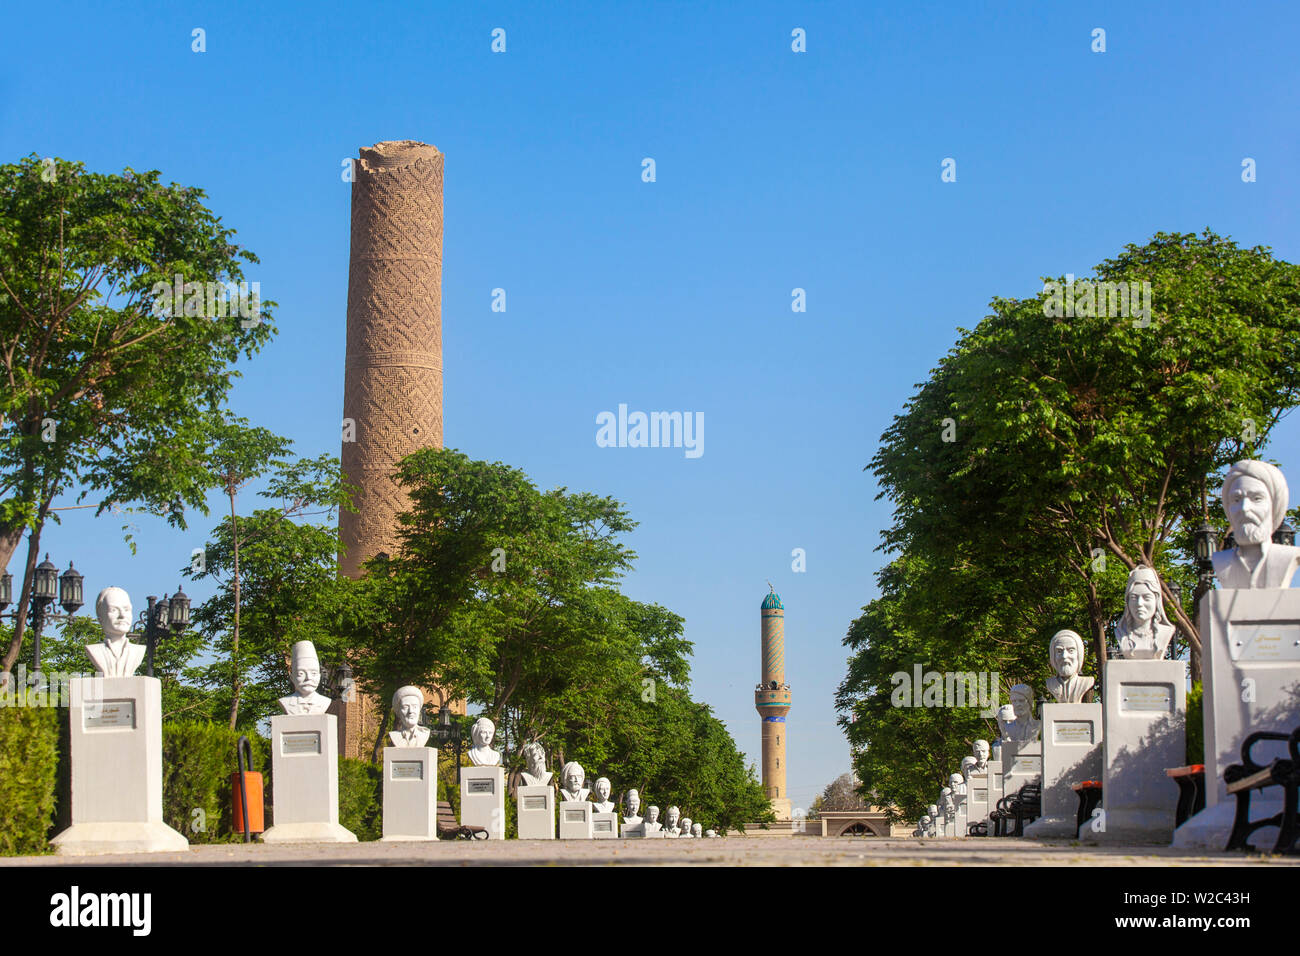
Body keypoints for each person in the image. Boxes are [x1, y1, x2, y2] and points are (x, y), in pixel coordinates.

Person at [1212, 459, 1300, 589]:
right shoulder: (1220, 561)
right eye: (1236, 500)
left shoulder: (1288, 557)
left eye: (1256, 499)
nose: (1244, 508)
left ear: (1274, 505)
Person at [1113, 567, 1177, 660]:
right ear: (1127, 602)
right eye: (1134, 597)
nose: (1139, 603)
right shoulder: (1121, 633)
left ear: (1157, 601)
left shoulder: (1166, 632)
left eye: (1146, 598)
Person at [85, 587, 146, 678]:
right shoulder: (94, 650)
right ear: (100, 618)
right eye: (114, 610)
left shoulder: (138, 651)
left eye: (126, 609)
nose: (122, 615)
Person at [277, 641, 332, 715]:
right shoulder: (285, 702)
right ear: (292, 678)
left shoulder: (325, 701)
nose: (308, 678)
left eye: (313, 673)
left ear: (319, 676)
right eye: (301, 673)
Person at [1046, 629, 1096, 700]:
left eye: (1071, 650)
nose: (1064, 656)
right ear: (1053, 655)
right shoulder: (1050, 683)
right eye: (1059, 651)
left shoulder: (1086, 682)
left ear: (1079, 654)